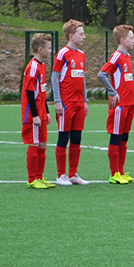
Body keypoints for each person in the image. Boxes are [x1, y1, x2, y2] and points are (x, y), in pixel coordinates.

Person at [98, 24, 134, 184]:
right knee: (115, 137)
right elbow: (102, 74)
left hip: (129, 104)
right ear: (122, 40)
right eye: (131, 38)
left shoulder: (127, 57)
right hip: (119, 106)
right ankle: (114, 173)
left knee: (124, 138)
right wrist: (113, 92)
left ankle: (121, 172)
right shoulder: (117, 56)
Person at [51, 19, 90, 185]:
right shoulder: (62, 54)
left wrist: (85, 100)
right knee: (63, 137)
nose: (84, 37)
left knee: (77, 138)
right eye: (81, 34)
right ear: (71, 36)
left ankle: (73, 173)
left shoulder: (81, 55)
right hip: (66, 103)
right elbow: (54, 77)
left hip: (79, 103)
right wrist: (57, 101)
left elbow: (82, 79)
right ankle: (61, 175)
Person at [22, 33, 54, 189]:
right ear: (40, 50)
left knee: (42, 143)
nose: (51, 51)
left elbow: (41, 92)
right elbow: (29, 93)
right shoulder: (33, 66)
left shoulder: (42, 66)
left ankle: (39, 177)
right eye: (49, 48)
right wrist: (34, 115)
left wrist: (46, 111)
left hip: (41, 112)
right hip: (32, 114)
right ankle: (31, 179)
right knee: (34, 143)